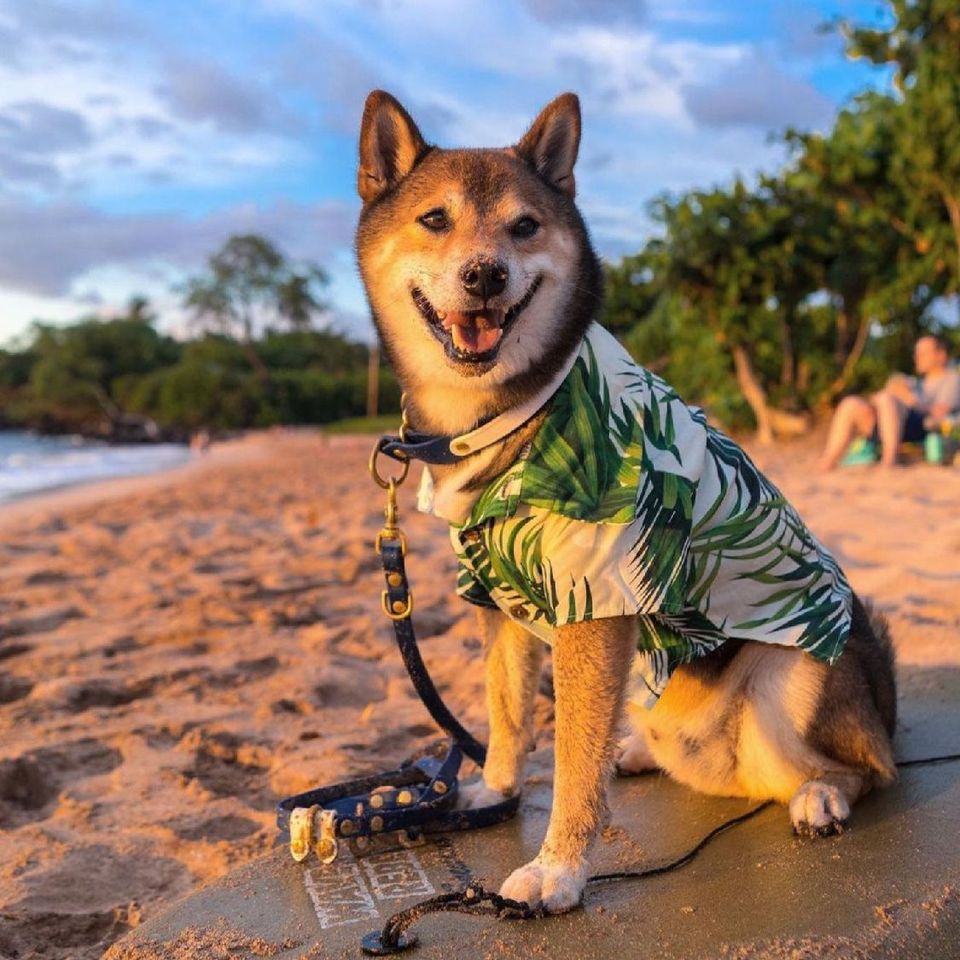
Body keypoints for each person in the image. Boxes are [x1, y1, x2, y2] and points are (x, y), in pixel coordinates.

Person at [819, 334, 960, 470]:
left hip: (922, 429)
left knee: (887, 399)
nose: (917, 357)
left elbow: (940, 414)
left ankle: (889, 460)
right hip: (892, 424)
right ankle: (828, 461)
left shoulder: (952, 380)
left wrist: (907, 398)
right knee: (850, 404)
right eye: (916, 353)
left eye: (923, 353)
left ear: (941, 355)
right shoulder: (917, 382)